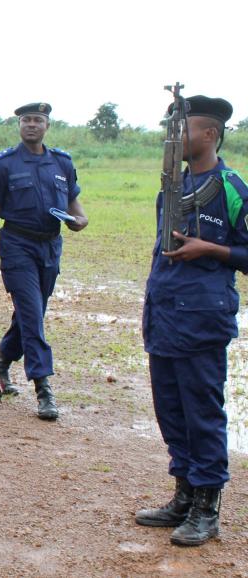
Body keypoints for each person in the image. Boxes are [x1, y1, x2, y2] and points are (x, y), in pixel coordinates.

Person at [135, 95, 247, 547]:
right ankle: (182, 495)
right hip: (164, 316)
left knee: (202, 414)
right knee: (171, 412)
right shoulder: (174, 183)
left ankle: (207, 507)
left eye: (182, 129)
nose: (174, 139)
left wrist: (211, 250)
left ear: (209, 134)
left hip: (202, 322)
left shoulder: (232, 187)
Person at [0, 102, 88, 420]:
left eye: (37, 120)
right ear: (18, 125)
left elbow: (75, 205)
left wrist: (80, 220)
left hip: (50, 247)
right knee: (31, 314)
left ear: (47, 126)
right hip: (16, 245)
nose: (31, 124)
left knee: (32, 313)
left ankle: (2, 363)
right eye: (25, 119)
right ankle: (43, 387)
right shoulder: (4, 164)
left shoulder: (62, 163)